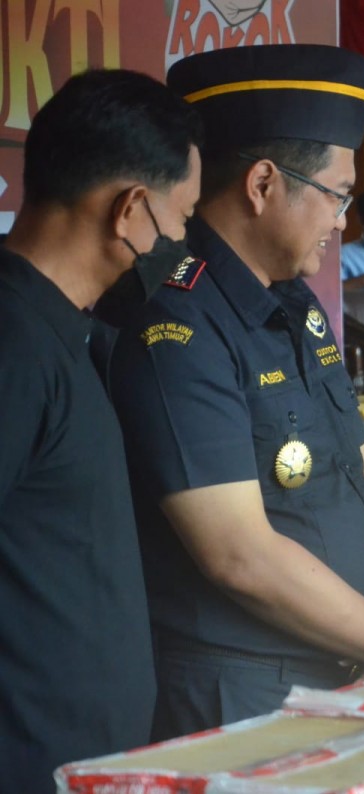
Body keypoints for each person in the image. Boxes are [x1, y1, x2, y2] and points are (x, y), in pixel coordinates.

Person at [106, 44, 364, 741]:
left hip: (359, 665)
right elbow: (238, 554)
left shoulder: (295, 307)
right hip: (249, 690)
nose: (345, 220)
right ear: (262, 184)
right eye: (337, 196)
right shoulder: (177, 321)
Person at [0, 69, 202, 791]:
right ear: (130, 210)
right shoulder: (13, 341)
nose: (181, 244)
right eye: (181, 220)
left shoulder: (68, 333)